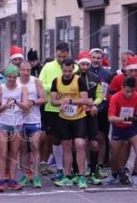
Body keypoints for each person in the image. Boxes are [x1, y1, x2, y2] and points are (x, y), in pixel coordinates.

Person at [50, 59, 92, 190]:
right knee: (66, 146)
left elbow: (86, 100)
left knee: (80, 144)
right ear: (61, 69)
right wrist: (61, 103)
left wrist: (70, 100)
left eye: (69, 71)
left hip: (78, 117)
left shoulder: (79, 80)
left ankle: (81, 176)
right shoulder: (56, 81)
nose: (67, 73)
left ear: (73, 69)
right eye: (64, 71)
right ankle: (67, 176)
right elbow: (53, 101)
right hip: (64, 117)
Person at [38, 42, 73, 178]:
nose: (62, 59)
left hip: (70, 109)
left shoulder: (73, 67)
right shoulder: (48, 66)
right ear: (55, 54)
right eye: (59, 56)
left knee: (69, 140)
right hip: (51, 108)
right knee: (55, 138)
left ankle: (69, 169)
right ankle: (59, 167)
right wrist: (53, 88)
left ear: (68, 54)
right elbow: (40, 84)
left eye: (64, 56)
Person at [107, 76, 137, 188]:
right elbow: (110, 118)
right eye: (127, 91)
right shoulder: (115, 97)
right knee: (114, 156)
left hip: (132, 128)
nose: (129, 94)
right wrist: (124, 119)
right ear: (122, 87)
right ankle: (114, 174)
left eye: (132, 91)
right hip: (118, 128)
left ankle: (135, 175)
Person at [0, 64, 29, 192]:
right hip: (3, 123)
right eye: (9, 77)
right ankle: (1, 180)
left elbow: (26, 106)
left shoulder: (22, 88)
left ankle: (13, 180)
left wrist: (16, 102)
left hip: (17, 123)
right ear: (5, 77)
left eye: (14, 77)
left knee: (14, 153)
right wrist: (5, 106)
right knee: (2, 153)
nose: (11, 79)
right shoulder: (0, 88)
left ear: (17, 76)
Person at [76, 51, 105, 185]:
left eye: (87, 64)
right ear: (79, 64)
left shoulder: (95, 77)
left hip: (91, 114)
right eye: (83, 64)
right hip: (76, 114)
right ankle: (77, 172)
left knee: (94, 143)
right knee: (77, 144)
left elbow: (100, 95)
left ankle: (93, 171)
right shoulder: (72, 77)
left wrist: (94, 104)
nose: (85, 67)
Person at [18, 60, 47, 188]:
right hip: (19, 119)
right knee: (23, 148)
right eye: (23, 70)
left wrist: (32, 102)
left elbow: (44, 99)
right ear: (19, 70)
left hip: (34, 119)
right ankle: (25, 174)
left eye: (28, 70)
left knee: (35, 146)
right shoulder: (16, 82)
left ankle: (35, 175)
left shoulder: (35, 81)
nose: (26, 73)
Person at [89, 48, 113, 178]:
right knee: (89, 138)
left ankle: (100, 164)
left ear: (102, 59)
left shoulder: (107, 74)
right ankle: (89, 165)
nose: (96, 60)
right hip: (87, 109)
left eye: (99, 58)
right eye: (94, 58)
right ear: (90, 58)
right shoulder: (84, 71)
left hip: (103, 109)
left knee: (101, 138)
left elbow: (110, 92)